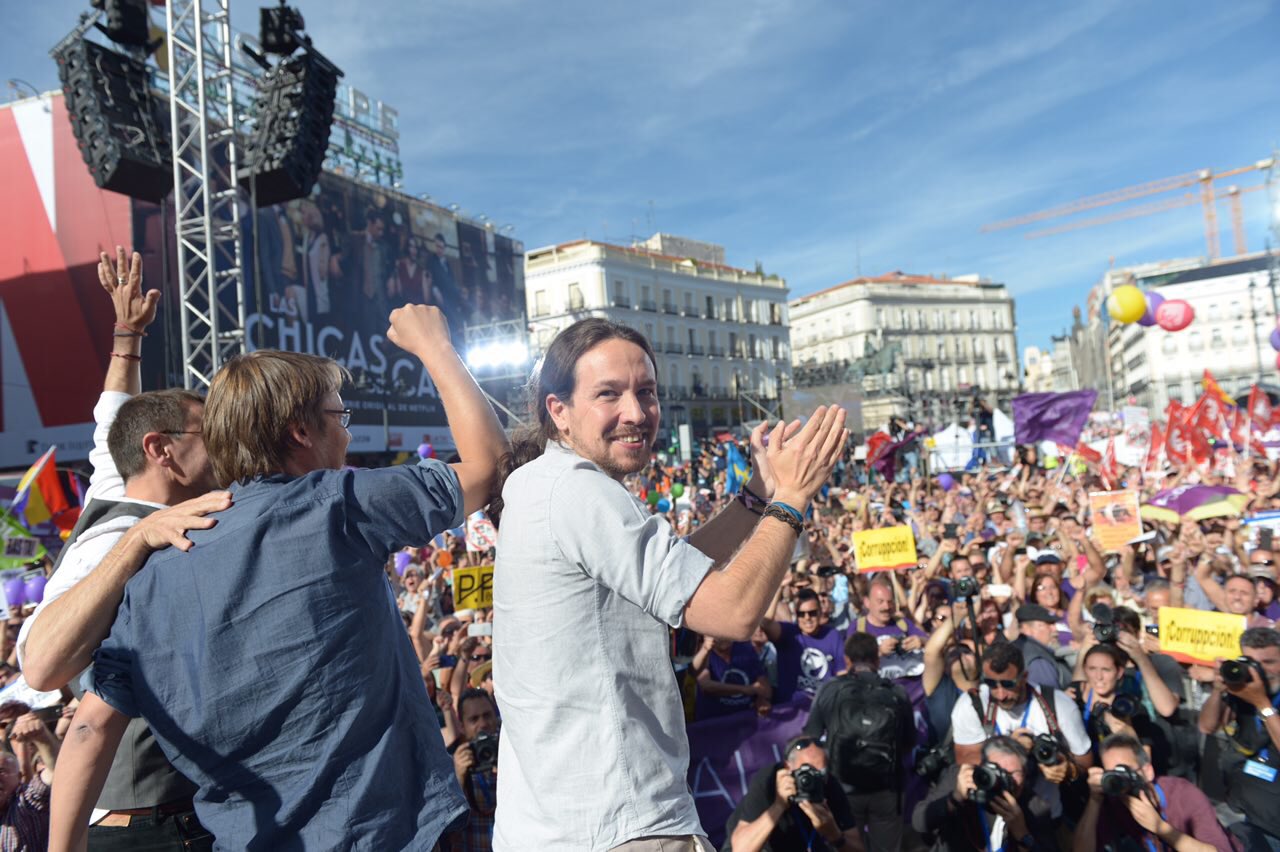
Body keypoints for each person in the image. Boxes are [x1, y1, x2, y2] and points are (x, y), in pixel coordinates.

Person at [48, 304, 510, 850]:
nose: (347, 435)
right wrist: (435, 346)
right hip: (379, 835)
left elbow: (88, 729)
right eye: (340, 417)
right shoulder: (338, 506)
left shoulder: (153, 575)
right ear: (299, 431)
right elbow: (487, 466)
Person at [490, 317, 847, 850]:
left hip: (561, 825)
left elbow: (676, 573)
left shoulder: (543, 484)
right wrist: (791, 497)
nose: (636, 413)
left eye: (647, 392)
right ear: (557, 411)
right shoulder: (577, 491)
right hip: (622, 824)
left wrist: (755, 495)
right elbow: (730, 613)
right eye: (608, 394)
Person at [19, 247, 222, 850]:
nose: (226, 448)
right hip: (144, 831)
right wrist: (136, 542)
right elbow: (40, 664)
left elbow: (113, 418)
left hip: (185, 815)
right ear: (161, 450)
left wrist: (127, 336)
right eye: (209, 435)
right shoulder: (123, 532)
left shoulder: (116, 481)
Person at [950, 643, 1092, 818]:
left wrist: (1068, 770)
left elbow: (1085, 761)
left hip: (1045, 816)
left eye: (1008, 684)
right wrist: (1010, 748)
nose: (1000, 694)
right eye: (991, 684)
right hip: (992, 813)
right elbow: (965, 762)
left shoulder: (1059, 705)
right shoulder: (972, 705)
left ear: (1024, 676)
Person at [803, 633, 913, 852]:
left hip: (843, 790)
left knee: (846, 847)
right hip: (886, 790)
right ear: (877, 659)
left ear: (847, 660)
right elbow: (908, 742)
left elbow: (811, 736)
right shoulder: (897, 692)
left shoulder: (830, 689)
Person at [1075, 733, 1236, 852]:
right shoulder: (1115, 800)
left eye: (1123, 771)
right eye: (1111, 775)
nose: (1118, 781)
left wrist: (1161, 828)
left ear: (1147, 771)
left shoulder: (1184, 794)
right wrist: (1094, 800)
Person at [1197, 627, 1280, 850]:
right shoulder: (1243, 689)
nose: (1260, 671)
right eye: (1251, 662)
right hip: (1247, 813)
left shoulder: (1256, 695)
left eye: (1269, 662)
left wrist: (1262, 703)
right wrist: (1217, 690)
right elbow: (1206, 726)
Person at [911, 736, 1056, 852]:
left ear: (1025, 775)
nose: (1003, 778)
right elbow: (919, 822)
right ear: (981, 766)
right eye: (996, 770)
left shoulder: (1036, 807)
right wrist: (955, 799)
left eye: (1012, 773)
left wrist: (1022, 834)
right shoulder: (962, 778)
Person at [725, 736, 863, 852]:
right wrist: (778, 805)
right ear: (787, 767)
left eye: (820, 772)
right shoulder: (769, 780)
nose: (812, 779)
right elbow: (741, 849)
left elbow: (858, 848)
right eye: (805, 772)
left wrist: (835, 835)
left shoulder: (829, 784)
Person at [760, 589, 845, 703]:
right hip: (792, 712)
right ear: (796, 615)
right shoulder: (788, 633)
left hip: (823, 710)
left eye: (812, 613)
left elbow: (842, 675)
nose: (807, 618)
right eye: (801, 614)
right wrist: (778, 586)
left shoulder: (833, 635)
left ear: (820, 612)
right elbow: (765, 623)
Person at [443, 688, 501, 852]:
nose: (483, 724)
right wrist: (459, 778)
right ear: (461, 726)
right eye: (474, 719)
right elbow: (447, 830)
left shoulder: (511, 755)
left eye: (487, 715)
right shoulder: (454, 764)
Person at [0, 711, 61, 850]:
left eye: (1, 771)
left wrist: (42, 738)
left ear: (19, 777)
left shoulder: (27, 803)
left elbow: (56, 772)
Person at [690, 635, 771, 720]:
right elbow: (706, 686)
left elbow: (762, 681)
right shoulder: (704, 651)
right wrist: (744, 689)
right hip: (713, 723)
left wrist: (762, 699)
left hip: (744, 722)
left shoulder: (745, 647)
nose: (722, 636)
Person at [1012, 604, 1073, 690]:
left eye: (1053, 624)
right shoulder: (1038, 659)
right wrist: (1064, 697)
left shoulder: (1014, 647)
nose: (1054, 629)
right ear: (1026, 629)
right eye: (1046, 625)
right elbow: (1047, 698)